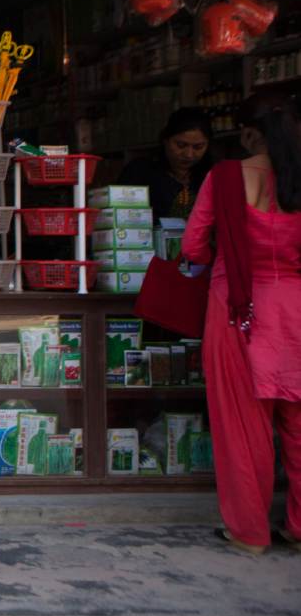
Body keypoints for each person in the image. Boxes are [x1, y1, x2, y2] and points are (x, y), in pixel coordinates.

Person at [181, 92, 301, 556]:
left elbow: (193, 246)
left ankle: (250, 531)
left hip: (238, 309)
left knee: (243, 426)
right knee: (296, 427)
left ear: (249, 134)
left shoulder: (226, 177)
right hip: (294, 309)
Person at [117, 108, 214, 220]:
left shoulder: (213, 176)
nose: (189, 154)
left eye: (198, 147)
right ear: (166, 140)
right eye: (181, 145)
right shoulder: (140, 171)